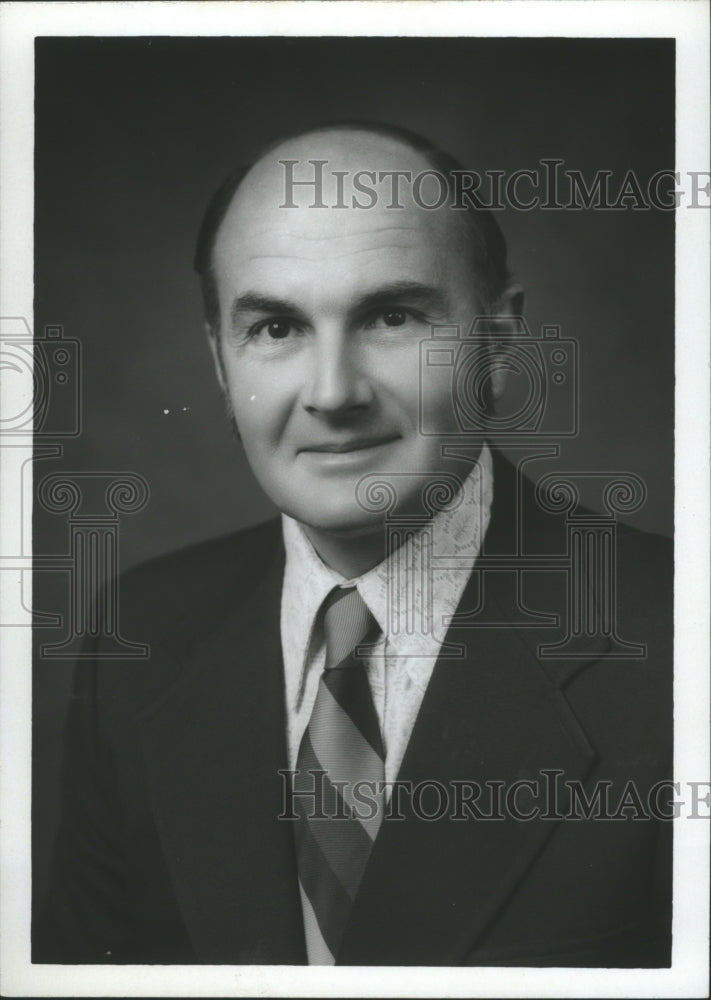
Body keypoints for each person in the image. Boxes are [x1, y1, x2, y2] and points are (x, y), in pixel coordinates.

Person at [35, 122, 672, 967]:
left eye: (391, 315)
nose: (332, 393)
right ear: (222, 365)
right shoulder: (140, 631)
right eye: (274, 329)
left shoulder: (678, 641)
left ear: (499, 338)